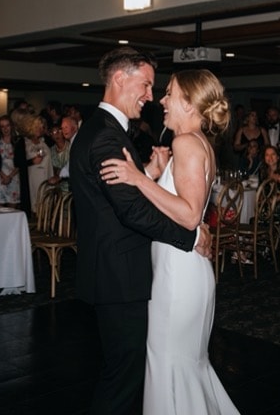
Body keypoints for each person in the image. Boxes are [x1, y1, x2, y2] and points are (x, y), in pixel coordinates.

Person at [70, 48, 207, 415]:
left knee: (123, 370)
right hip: (119, 274)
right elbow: (129, 210)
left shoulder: (103, 128)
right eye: (146, 85)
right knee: (123, 376)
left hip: (114, 270)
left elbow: (117, 194)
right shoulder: (105, 135)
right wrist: (190, 237)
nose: (150, 95)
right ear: (120, 79)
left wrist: (145, 173)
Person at [96, 67, 234, 415]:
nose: (162, 100)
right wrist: (153, 174)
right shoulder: (198, 142)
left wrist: (137, 180)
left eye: (169, 93)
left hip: (179, 274)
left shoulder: (185, 142)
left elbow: (189, 216)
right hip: (184, 268)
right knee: (181, 364)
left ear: (188, 104)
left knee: (169, 361)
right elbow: (190, 214)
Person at [21, 114, 53, 213]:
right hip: (33, 176)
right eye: (37, 126)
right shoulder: (24, 142)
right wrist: (32, 161)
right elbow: (18, 162)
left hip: (46, 175)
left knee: (46, 202)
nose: (40, 129)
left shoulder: (45, 141)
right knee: (34, 201)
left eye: (41, 126)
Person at [0, 115, 21, 208]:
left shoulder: (18, 142)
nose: (5, 129)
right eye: (2, 126)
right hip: (0, 177)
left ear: (11, 126)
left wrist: (10, 177)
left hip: (14, 177)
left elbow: (21, 162)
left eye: (7, 125)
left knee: (12, 209)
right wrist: (3, 176)